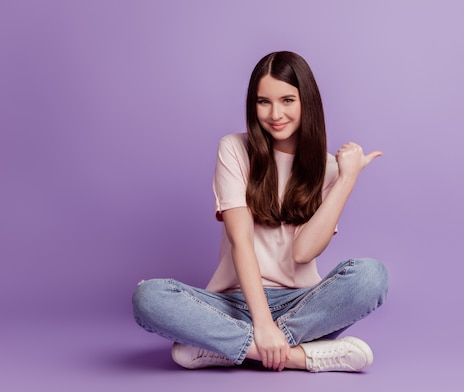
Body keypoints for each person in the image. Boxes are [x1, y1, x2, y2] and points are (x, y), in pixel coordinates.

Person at [132, 51, 388, 373]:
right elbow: (241, 242)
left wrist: (347, 178)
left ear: (306, 101)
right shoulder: (234, 149)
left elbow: (304, 251)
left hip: (302, 303)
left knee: (371, 276)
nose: (275, 113)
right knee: (149, 297)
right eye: (263, 101)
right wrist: (263, 326)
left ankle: (229, 348)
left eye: (287, 100)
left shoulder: (328, 169)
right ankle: (301, 356)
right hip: (233, 304)